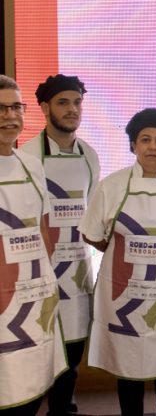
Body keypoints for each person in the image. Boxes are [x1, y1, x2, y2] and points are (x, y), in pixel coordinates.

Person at [78, 108, 156, 416]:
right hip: (124, 294)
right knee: (128, 368)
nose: (152, 147)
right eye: (145, 139)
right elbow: (92, 234)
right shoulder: (112, 186)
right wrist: (124, 255)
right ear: (133, 145)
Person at [19, 74, 100, 416]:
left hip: (78, 270)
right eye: (63, 102)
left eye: (77, 102)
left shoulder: (90, 155)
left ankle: (63, 409)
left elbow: (94, 215)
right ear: (44, 107)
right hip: (37, 273)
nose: (72, 109)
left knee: (73, 353)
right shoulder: (25, 156)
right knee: (37, 352)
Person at [0, 75, 66, 415]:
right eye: (1, 108)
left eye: (16, 107)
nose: (10, 116)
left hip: (33, 297)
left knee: (32, 387)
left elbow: (44, 229)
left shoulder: (32, 165)